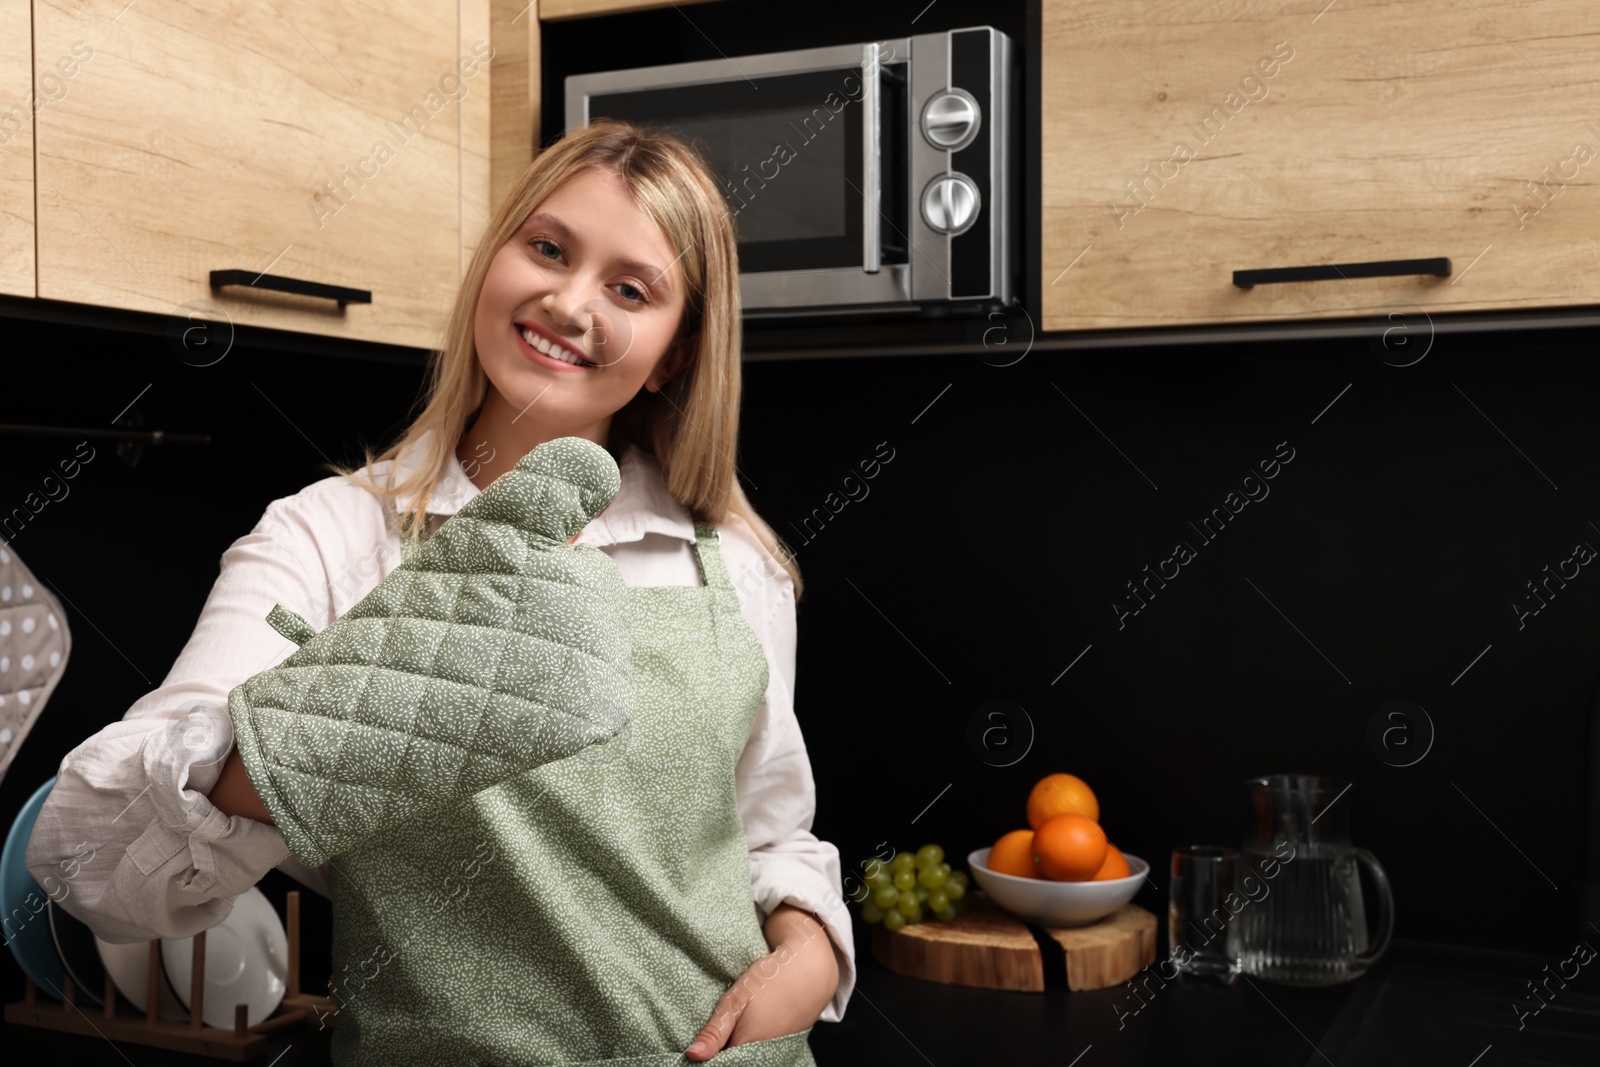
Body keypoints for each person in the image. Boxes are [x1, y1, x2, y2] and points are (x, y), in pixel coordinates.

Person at [25, 119, 853, 1065]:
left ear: (671, 353)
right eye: (546, 248)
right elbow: (87, 861)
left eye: (630, 289)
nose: (569, 300)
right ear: (492, 260)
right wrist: (374, 715)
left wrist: (811, 950)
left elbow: (773, 839)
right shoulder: (331, 538)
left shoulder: (735, 562)